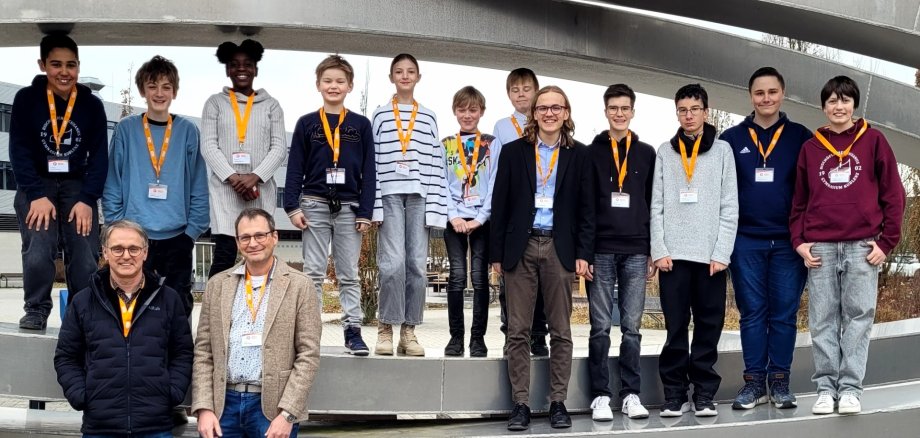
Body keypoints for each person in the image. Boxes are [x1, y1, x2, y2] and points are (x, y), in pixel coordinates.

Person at [790, 76, 905, 415]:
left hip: (862, 247)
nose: (838, 107)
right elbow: (798, 201)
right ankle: (826, 389)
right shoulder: (811, 148)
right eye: (832, 101)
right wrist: (799, 241)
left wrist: (887, 242)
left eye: (844, 100)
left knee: (859, 317)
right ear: (823, 106)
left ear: (854, 104)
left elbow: (894, 194)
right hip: (821, 248)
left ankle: (851, 389)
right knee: (822, 319)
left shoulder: (873, 140)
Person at [491, 85, 595, 431]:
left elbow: (587, 211)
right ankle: (520, 403)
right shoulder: (513, 152)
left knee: (561, 330)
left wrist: (583, 254)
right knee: (517, 330)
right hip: (520, 248)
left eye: (556, 108)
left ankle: (558, 402)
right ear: (533, 114)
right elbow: (500, 205)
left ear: (566, 113)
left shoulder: (579, 155)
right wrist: (496, 255)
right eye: (543, 108)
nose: (549, 113)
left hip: (559, 249)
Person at [719, 67, 813, 410]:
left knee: (784, 314)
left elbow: (813, 190)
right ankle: (755, 383)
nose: (766, 98)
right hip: (746, 241)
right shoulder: (731, 139)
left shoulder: (801, 137)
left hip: (789, 242)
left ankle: (780, 382)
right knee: (752, 313)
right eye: (759, 93)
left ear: (782, 94)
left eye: (772, 92)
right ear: (750, 96)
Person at [54, 220, 193, 437]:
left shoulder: (169, 299)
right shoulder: (83, 301)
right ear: (105, 253)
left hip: (155, 427)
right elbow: (66, 356)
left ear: (145, 253)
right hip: (100, 427)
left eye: (134, 249)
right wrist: (81, 396)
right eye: (117, 249)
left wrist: (172, 393)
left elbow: (183, 352)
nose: (126, 256)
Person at [192, 208, 322, 438]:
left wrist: (288, 414)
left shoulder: (300, 286)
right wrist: (204, 408)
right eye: (245, 237)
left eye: (260, 235)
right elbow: (203, 350)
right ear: (237, 242)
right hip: (223, 407)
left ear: (274, 237)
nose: (253, 243)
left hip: (272, 409)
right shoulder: (217, 285)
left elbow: (308, 355)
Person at [651, 83, 738, 418]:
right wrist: (659, 249)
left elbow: (729, 205)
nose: (688, 116)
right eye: (682, 110)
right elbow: (656, 205)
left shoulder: (723, 151)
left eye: (694, 109)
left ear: (706, 111)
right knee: (675, 328)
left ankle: (703, 393)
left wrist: (722, 253)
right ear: (677, 113)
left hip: (710, 258)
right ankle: (674, 393)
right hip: (672, 257)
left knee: (708, 327)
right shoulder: (665, 151)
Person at [10, 33, 108, 330]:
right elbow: (18, 151)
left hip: (77, 186)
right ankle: (36, 309)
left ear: (78, 66)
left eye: (71, 65)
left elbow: (99, 157)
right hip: (37, 185)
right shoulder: (26, 99)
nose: (64, 72)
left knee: (84, 253)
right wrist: (35, 194)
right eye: (56, 64)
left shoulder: (92, 105)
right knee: (39, 250)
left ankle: (83, 315)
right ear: (42, 65)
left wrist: (88, 199)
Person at [102, 55, 209, 317]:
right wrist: (118, 228)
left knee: (177, 307)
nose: (159, 93)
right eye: (152, 86)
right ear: (143, 90)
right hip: (134, 236)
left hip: (177, 236)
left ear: (174, 91)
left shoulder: (187, 131)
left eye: (166, 87)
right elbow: (113, 181)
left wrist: (191, 233)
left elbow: (199, 185)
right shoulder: (126, 129)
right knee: (132, 305)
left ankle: (178, 347)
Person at [284, 54, 375, 356]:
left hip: (350, 207)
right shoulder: (307, 123)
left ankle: (353, 331)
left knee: (349, 273)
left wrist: (366, 211)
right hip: (313, 204)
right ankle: (310, 333)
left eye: (339, 81)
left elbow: (369, 171)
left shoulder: (360, 125)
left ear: (350, 86)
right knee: (313, 273)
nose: (333, 86)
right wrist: (292, 206)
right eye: (327, 81)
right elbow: (295, 167)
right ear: (318, 85)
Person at [585, 84, 656, 421]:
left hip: (636, 250)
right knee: (600, 327)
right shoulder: (590, 153)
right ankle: (600, 395)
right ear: (605, 111)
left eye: (624, 108)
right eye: (613, 108)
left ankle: (630, 394)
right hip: (600, 249)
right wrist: (583, 253)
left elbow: (653, 203)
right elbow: (584, 206)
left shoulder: (646, 153)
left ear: (633, 111)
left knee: (632, 327)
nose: (619, 113)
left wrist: (653, 249)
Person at [371, 53, 448, 357]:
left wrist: (436, 208)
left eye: (410, 71)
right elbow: (372, 161)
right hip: (388, 195)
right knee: (392, 265)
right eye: (399, 71)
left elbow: (436, 164)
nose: (405, 76)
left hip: (419, 196)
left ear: (418, 77)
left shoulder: (428, 116)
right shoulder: (380, 115)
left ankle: (409, 331)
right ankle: (385, 328)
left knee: (417, 266)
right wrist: (373, 206)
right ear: (391, 77)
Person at [201, 39, 287, 278]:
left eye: (247, 64)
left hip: (260, 192)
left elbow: (279, 147)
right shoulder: (215, 104)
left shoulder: (272, 106)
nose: (241, 69)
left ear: (255, 70)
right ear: (227, 70)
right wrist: (234, 178)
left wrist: (254, 177)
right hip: (225, 193)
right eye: (234, 64)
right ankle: (216, 303)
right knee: (224, 256)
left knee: (260, 254)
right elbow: (208, 145)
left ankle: (261, 302)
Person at [490, 68, 549, 356]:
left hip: (542, 211)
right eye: (515, 90)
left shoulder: (546, 122)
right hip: (514, 211)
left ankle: (538, 335)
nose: (521, 94)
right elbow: (495, 171)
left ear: (536, 91)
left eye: (527, 89)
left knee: (542, 282)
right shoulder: (502, 126)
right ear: (508, 94)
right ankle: (510, 334)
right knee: (510, 280)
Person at [441, 86, 501, 357]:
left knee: (479, 278)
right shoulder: (445, 144)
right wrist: (453, 215)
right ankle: (456, 337)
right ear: (455, 111)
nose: (467, 115)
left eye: (473, 110)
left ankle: (478, 339)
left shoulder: (491, 144)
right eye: (462, 109)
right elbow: (441, 182)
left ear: (481, 112)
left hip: (482, 221)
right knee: (456, 276)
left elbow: (495, 183)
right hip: (453, 219)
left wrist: (480, 218)